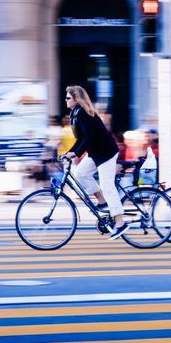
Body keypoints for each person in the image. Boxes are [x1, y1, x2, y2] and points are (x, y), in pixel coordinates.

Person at [64, 85, 129, 240]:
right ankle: (102, 202)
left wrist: (76, 153)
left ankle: (120, 223)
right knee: (80, 173)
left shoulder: (84, 113)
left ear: (76, 99)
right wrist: (69, 153)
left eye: (67, 98)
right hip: (95, 153)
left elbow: (89, 138)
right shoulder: (76, 112)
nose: (65, 100)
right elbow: (81, 138)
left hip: (106, 153)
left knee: (107, 186)